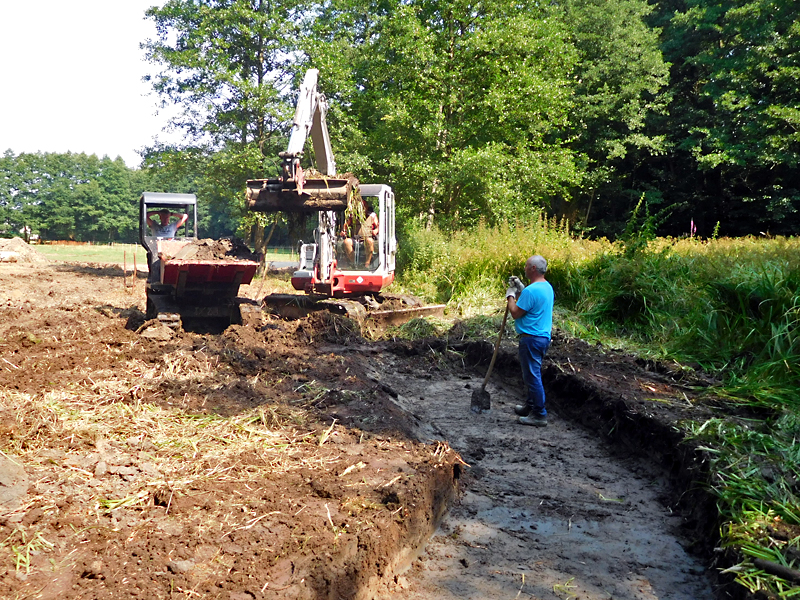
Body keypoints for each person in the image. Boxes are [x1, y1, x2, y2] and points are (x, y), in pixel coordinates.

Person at [506, 255, 554, 427]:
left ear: (533, 268)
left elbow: (515, 313)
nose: (524, 268)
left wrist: (511, 296)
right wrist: (521, 288)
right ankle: (530, 406)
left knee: (532, 377)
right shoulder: (546, 287)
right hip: (542, 337)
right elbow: (532, 301)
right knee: (531, 374)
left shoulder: (531, 291)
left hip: (531, 339)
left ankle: (539, 415)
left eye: (527, 266)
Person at [340, 202, 379, 268]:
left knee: (369, 241)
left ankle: (367, 264)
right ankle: (354, 264)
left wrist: (376, 230)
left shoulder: (372, 215)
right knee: (347, 242)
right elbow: (345, 225)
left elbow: (378, 226)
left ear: (366, 207)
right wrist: (343, 231)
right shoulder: (353, 216)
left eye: (364, 206)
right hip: (355, 238)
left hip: (367, 238)